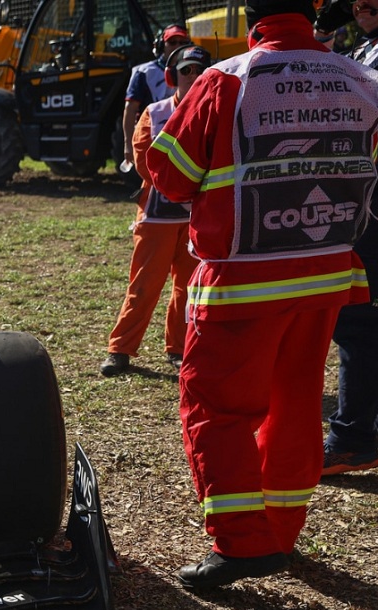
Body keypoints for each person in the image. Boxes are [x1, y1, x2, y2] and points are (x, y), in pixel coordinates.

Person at [143, 0, 378, 590]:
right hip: (328, 272)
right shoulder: (360, 77)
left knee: (218, 408)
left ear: (253, 14)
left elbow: (170, 177)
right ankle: (280, 531)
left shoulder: (225, 80)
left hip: (243, 277)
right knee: (297, 402)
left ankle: (244, 546)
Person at [313, 0, 378, 475]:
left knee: (361, 323)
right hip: (374, 204)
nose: (359, 6)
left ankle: (350, 438)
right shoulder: (371, 44)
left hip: (376, 207)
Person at [100, 45, 210, 378]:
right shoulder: (155, 112)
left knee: (189, 288)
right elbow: (147, 161)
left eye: (198, 71)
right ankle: (119, 349)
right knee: (144, 285)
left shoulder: (215, 111)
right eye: (186, 71)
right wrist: (191, 173)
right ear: (171, 76)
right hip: (157, 217)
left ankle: (177, 348)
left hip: (195, 218)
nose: (192, 77)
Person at [120, 24, 191, 171]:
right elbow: (130, 108)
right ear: (160, 46)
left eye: (182, 43)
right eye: (172, 42)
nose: (178, 46)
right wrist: (128, 144)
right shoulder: (144, 72)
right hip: (152, 139)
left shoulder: (196, 70)